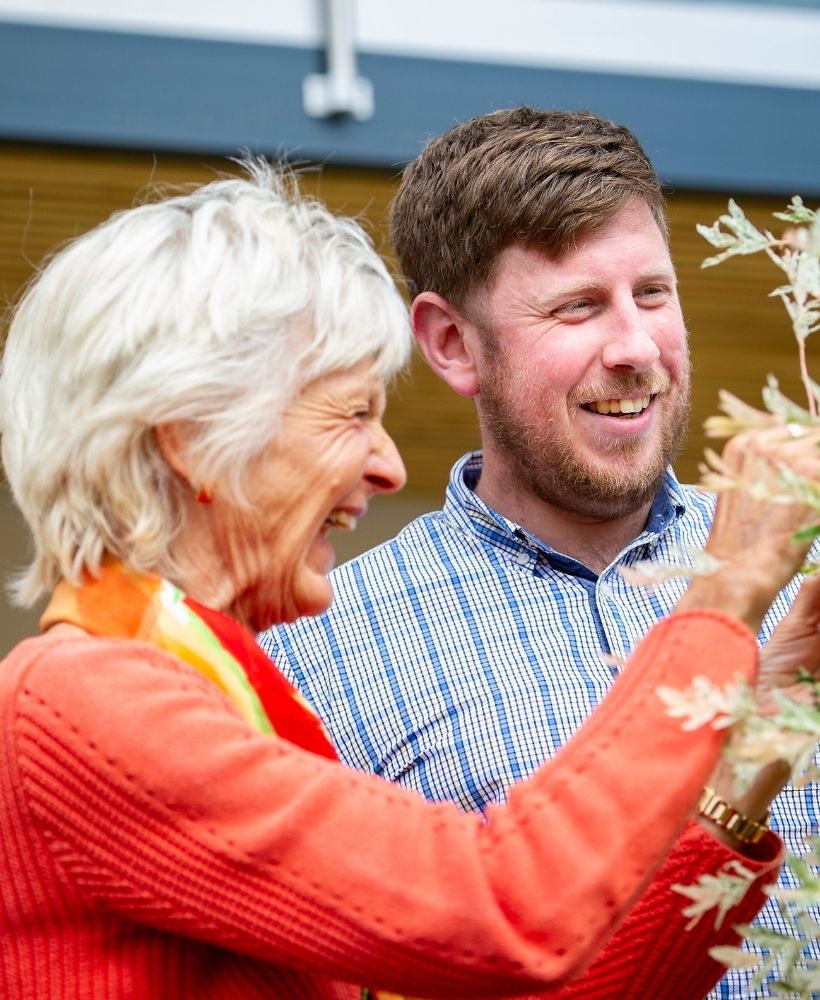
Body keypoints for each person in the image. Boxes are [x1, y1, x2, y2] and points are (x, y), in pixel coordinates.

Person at [0, 160, 816, 1000]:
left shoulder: (211, 695)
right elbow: (509, 907)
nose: (391, 466)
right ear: (192, 439)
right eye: (352, 414)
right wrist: (726, 594)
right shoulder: (84, 702)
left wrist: (766, 726)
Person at [258, 108, 820, 996]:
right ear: (451, 342)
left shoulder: (807, 576)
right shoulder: (314, 657)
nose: (636, 349)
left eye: (652, 294)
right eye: (576, 307)